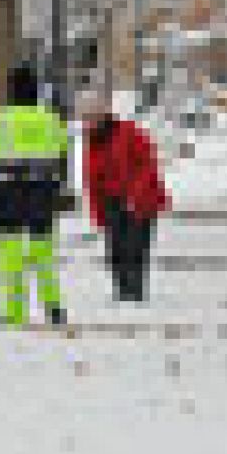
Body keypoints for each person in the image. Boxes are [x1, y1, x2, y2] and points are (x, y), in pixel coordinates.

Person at [0, 67, 70, 326]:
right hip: (42, 188)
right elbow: (61, 148)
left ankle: (14, 311)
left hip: (9, 189)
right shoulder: (49, 118)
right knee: (43, 249)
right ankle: (52, 306)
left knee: (11, 252)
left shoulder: (1, 119)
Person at [81, 92, 169, 302]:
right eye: (85, 117)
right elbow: (92, 181)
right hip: (112, 201)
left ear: (104, 115)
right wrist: (98, 214)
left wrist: (135, 194)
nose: (88, 122)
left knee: (135, 248)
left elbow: (147, 164)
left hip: (141, 200)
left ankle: (135, 292)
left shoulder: (129, 132)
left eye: (91, 116)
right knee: (116, 250)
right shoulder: (91, 143)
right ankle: (122, 293)